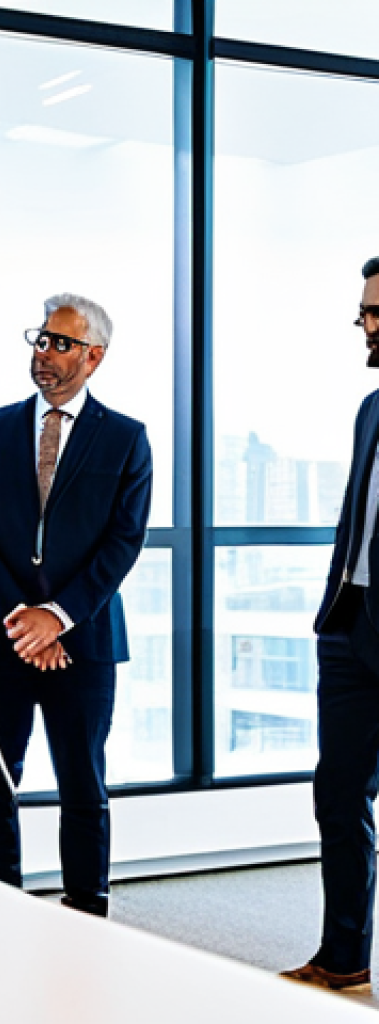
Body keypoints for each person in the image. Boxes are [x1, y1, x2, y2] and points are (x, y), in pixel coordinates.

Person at [0, 291, 152, 915]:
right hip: (0, 634)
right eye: (40, 338)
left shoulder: (125, 439)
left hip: (81, 642)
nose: (45, 352)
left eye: (61, 343)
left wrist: (57, 617)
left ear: (93, 357)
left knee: (82, 784)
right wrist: (23, 617)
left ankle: (86, 912)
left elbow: (123, 541)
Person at [282, 257, 379, 993]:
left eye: (373, 312)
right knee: (339, 796)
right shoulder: (370, 407)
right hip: (350, 627)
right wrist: (331, 612)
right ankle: (344, 956)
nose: (364, 325)